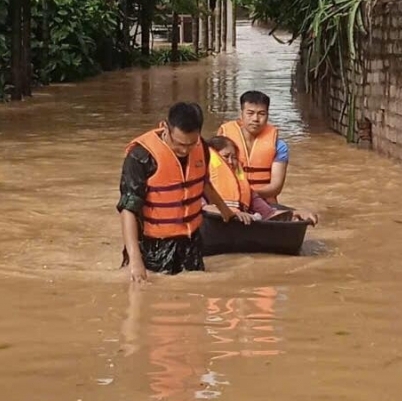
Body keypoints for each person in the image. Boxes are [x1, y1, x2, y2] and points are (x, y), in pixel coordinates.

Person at [119, 102, 252, 282]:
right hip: (153, 245)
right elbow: (128, 209)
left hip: (191, 242)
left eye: (191, 144)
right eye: (180, 144)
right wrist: (135, 260)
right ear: (165, 127)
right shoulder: (140, 157)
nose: (185, 150)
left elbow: (203, 184)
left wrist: (227, 213)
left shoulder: (201, 148)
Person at [205, 136, 317, 225]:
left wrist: (296, 213)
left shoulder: (246, 191)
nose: (230, 162)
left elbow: (269, 213)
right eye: (225, 156)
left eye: (234, 157)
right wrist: (232, 213)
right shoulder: (200, 183)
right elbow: (201, 208)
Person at [218, 90, 290, 205]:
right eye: (250, 113)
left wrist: (248, 194)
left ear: (267, 115)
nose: (255, 119)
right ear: (241, 114)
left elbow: (276, 187)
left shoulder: (279, 146)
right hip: (231, 201)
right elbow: (215, 175)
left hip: (264, 202)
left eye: (261, 114)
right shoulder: (223, 141)